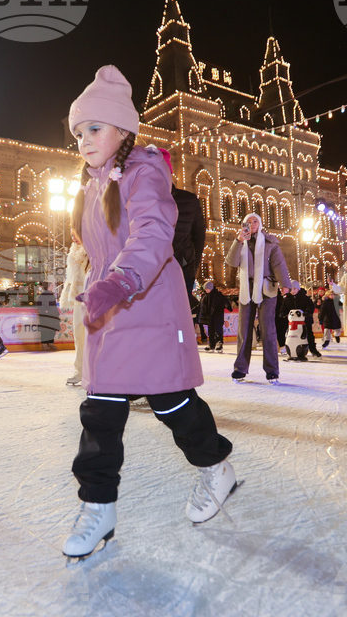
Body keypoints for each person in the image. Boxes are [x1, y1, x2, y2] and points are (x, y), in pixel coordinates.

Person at [62, 65, 234, 560]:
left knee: (172, 403)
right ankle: (98, 506)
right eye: (78, 132)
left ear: (123, 130)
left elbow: (153, 233)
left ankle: (216, 467)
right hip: (110, 310)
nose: (84, 140)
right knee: (99, 411)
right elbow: (95, 249)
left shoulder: (145, 171)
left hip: (148, 302)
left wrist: (120, 280)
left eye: (94, 128)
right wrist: (96, 287)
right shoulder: (89, 187)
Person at [225, 211, 292, 383]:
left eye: (255, 221)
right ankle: (240, 369)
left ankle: (272, 371)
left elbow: (279, 264)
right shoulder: (240, 242)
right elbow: (231, 262)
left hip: (266, 289)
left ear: (260, 224)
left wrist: (285, 284)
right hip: (246, 289)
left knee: (268, 329)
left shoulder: (270, 243)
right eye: (249, 222)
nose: (252, 224)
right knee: (244, 330)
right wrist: (239, 241)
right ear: (244, 225)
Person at [171, 179, 206, 337]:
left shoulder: (189, 200)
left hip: (183, 268)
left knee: (181, 312)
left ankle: (182, 344)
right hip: (156, 267)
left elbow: (199, 236)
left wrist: (193, 264)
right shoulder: (148, 197)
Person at [60, 236, 89, 386]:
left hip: (93, 296)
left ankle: (95, 372)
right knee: (78, 334)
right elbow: (71, 278)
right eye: (71, 235)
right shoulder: (73, 252)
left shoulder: (94, 247)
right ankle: (80, 372)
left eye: (76, 233)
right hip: (79, 297)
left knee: (93, 336)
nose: (73, 238)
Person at [289, 280, 321, 358]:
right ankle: (293, 351)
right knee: (292, 336)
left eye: (294, 289)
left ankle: (313, 349)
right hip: (293, 322)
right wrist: (282, 313)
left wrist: (307, 312)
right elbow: (284, 307)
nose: (292, 291)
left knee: (309, 335)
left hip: (305, 321)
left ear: (298, 289)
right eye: (291, 289)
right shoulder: (288, 298)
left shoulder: (305, 298)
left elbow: (310, 306)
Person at [197, 281, 231, 352]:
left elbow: (225, 301)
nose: (206, 290)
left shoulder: (218, 295)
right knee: (211, 331)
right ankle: (211, 345)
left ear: (211, 288)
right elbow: (201, 306)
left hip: (217, 316)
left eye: (207, 289)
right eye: (205, 289)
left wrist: (227, 306)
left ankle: (219, 344)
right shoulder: (205, 296)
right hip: (209, 317)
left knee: (218, 331)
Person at [36, 280, 60, 350]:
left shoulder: (51, 294)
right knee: (45, 330)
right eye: (51, 285)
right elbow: (39, 304)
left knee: (52, 329)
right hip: (46, 316)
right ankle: (44, 344)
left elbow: (53, 305)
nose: (53, 286)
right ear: (48, 286)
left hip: (53, 315)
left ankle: (51, 343)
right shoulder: (43, 295)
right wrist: (45, 311)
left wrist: (56, 313)